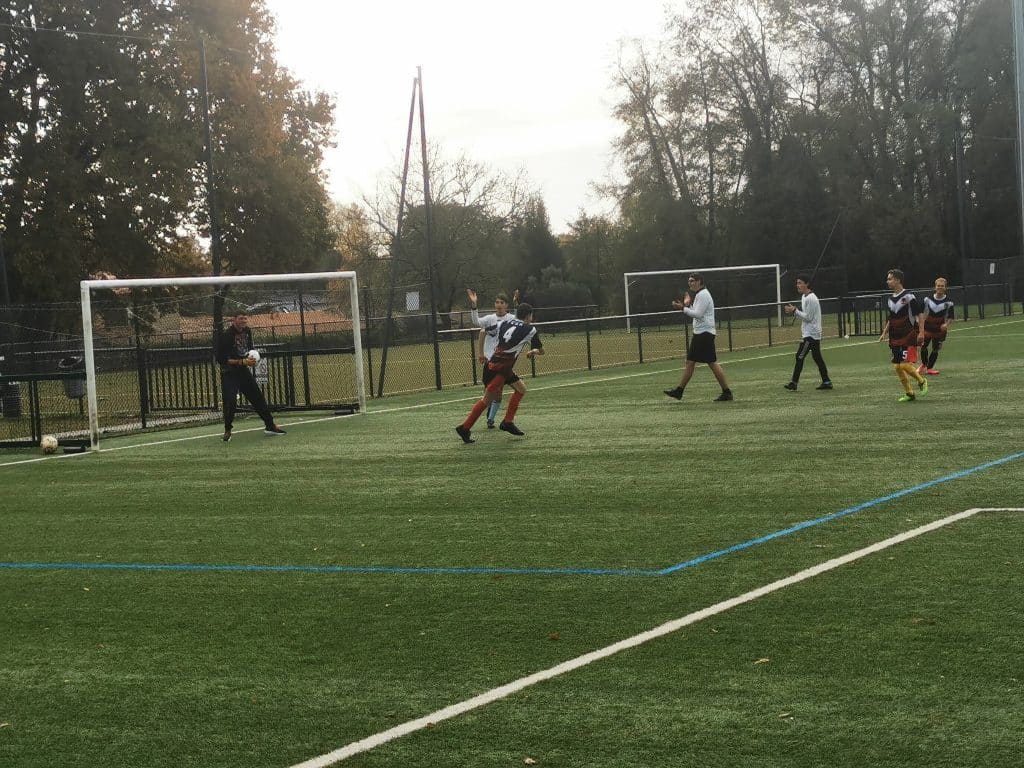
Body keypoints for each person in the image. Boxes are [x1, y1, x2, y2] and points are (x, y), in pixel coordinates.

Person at [456, 303, 543, 443]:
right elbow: (541, 350)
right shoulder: (530, 329)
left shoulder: (505, 323)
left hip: (496, 366)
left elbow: (483, 331)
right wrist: (534, 351)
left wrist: (481, 352)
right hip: (500, 369)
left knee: (521, 389)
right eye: (531, 315)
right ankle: (464, 428)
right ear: (528, 315)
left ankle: (508, 421)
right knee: (487, 400)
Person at [215, 312, 286, 441]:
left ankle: (270, 425)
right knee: (230, 400)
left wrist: (252, 359)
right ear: (234, 319)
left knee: (257, 397)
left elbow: (249, 349)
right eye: (241, 318)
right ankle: (227, 431)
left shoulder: (247, 331)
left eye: (245, 319)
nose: (243, 321)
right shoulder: (226, 336)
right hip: (230, 372)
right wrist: (241, 362)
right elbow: (221, 359)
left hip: (243, 371)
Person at [663, 273, 733, 402]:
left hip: (704, 334)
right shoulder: (700, 295)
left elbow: (698, 314)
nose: (690, 283)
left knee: (699, 362)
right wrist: (688, 305)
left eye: (692, 281)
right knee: (702, 362)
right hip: (703, 333)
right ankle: (726, 392)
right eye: (689, 281)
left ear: (699, 281)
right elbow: (696, 312)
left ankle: (680, 391)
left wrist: (682, 308)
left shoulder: (703, 295)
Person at [466, 288, 518, 428]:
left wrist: (516, 303)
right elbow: (476, 321)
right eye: (496, 302)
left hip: (504, 362)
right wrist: (474, 305)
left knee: (500, 392)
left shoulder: (511, 319)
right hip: (491, 361)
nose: (499, 304)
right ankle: (483, 419)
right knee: (489, 393)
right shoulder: (490, 319)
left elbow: (519, 321)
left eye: (501, 302)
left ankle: (490, 419)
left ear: (506, 305)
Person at [878, 269, 928, 402]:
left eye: (890, 279)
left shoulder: (909, 296)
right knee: (897, 366)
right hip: (895, 336)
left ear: (898, 280)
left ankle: (922, 381)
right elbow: (892, 319)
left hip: (908, 334)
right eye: (888, 279)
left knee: (904, 364)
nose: (887, 281)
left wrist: (922, 332)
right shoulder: (890, 300)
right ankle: (909, 393)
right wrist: (885, 332)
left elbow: (920, 314)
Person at [783, 274, 833, 391]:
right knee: (817, 358)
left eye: (800, 283)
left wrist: (795, 311)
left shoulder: (811, 298)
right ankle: (826, 381)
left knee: (799, 356)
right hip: (810, 333)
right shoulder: (804, 297)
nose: (798, 285)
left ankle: (794, 383)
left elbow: (808, 318)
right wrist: (796, 311)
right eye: (797, 283)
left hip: (811, 334)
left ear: (807, 284)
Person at [918, 277, 954, 375]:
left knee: (935, 348)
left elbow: (951, 317)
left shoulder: (949, 302)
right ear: (935, 287)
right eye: (938, 286)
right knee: (923, 346)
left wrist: (946, 324)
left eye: (942, 286)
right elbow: (920, 312)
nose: (940, 287)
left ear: (945, 288)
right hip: (927, 326)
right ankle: (923, 364)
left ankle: (930, 368)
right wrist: (919, 322)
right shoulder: (927, 299)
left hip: (939, 329)